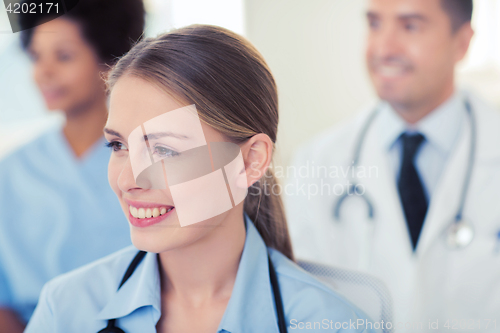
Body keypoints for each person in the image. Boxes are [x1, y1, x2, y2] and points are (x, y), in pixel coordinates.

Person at [24, 25, 376, 333]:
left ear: (251, 161)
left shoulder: (333, 323)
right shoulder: (65, 310)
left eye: (163, 150)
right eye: (118, 145)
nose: (128, 179)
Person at [286, 0, 500, 329]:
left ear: (462, 43)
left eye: (409, 26)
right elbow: (299, 305)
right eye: (374, 24)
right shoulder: (317, 162)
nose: (383, 48)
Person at [0, 1, 145, 331]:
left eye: (63, 56)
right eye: (36, 57)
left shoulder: (152, 162)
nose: (44, 72)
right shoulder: (10, 173)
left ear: (110, 61)